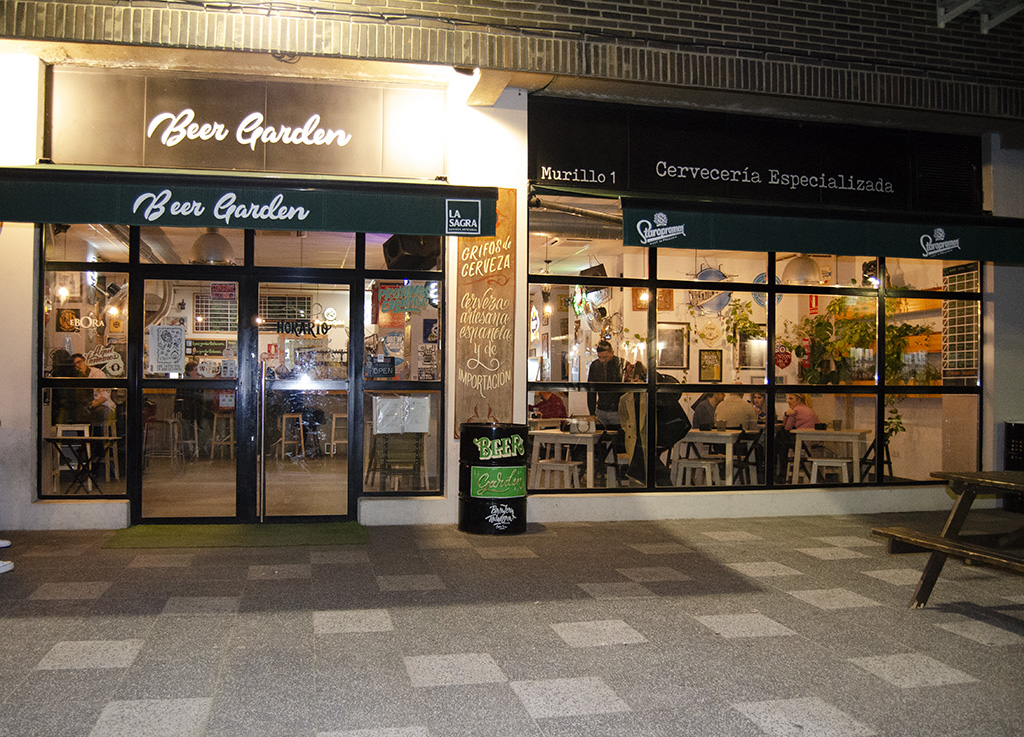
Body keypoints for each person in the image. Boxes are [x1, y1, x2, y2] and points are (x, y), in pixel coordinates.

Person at [775, 393, 820, 482]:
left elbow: (787, 427)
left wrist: (786, 414)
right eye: (788, 399)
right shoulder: (809, 409)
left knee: (780, 438)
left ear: (799, 400)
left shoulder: (795, 411)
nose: (788, 401)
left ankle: (781, 473)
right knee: (781, 439)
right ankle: (781, 472)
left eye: (791, 399)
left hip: (802, 440)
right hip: (812, 439)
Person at [586, 339, 627, 428]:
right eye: (600, 357)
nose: (602, 360)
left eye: (605, 357)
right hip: (601, 409)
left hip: (617, 410)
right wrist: (592, 413)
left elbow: (626, 391)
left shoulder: (621, 364)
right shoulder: (595, 365)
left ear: (612, 353)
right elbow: (591, 390)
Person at [72, 353, 114, 427]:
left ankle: (96, 436)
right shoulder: (75, 376)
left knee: (94, 413)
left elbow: (104, 396)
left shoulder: (97, 374)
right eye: (74, 364)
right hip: (83, 406)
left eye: (79, 362)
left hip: (102, 405)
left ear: (84, 361)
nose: (77, 366)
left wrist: (92, 405)